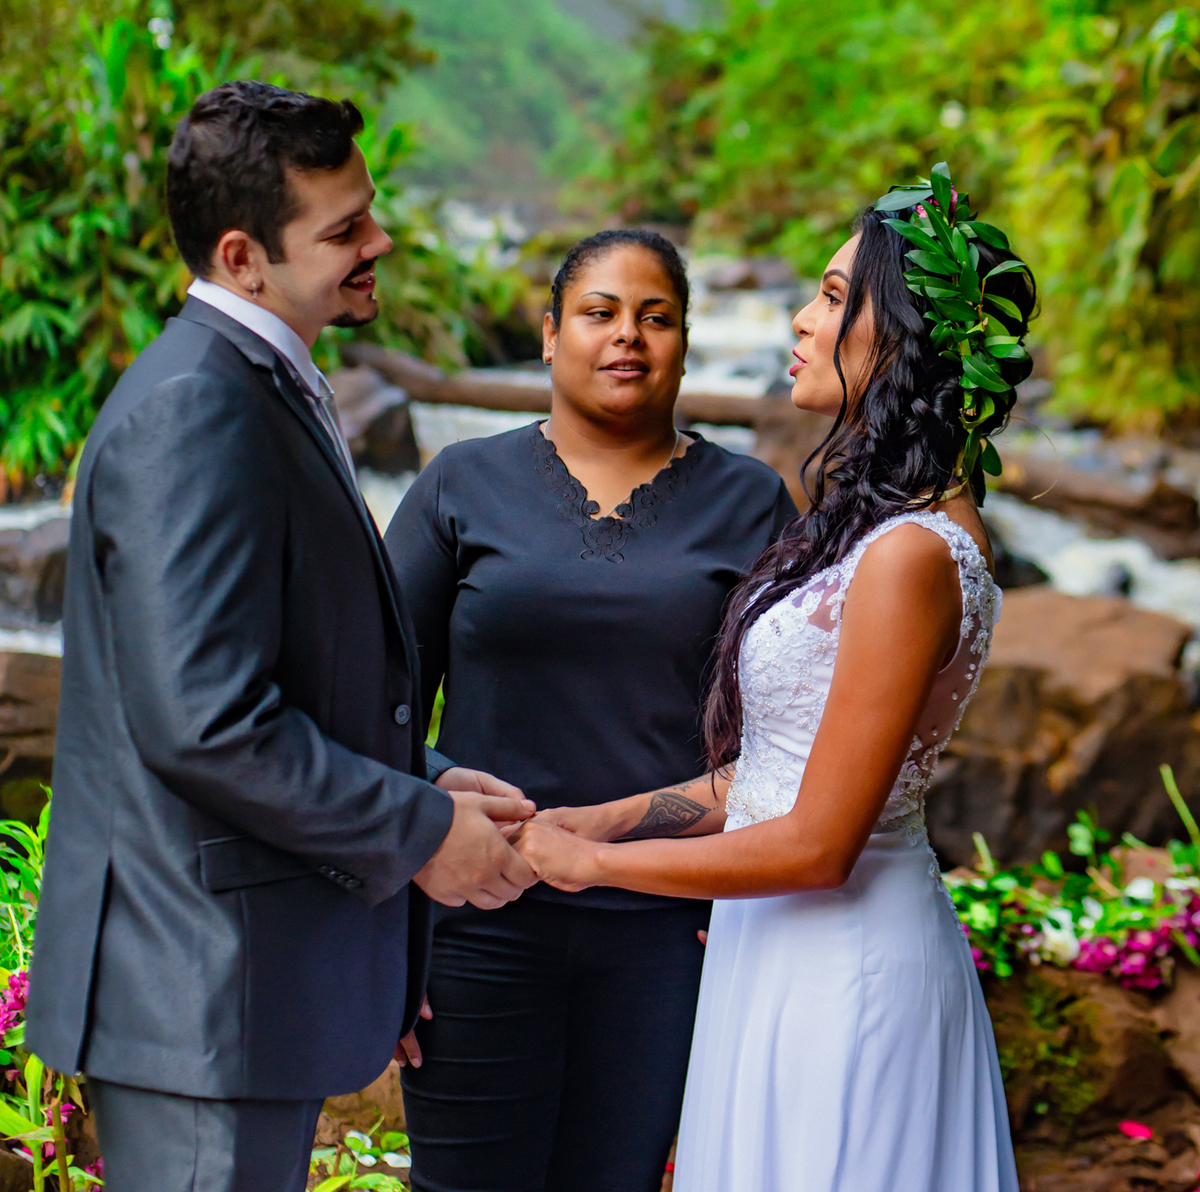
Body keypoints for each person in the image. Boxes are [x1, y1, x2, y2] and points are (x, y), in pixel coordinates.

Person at [25, 81, 537, 1192]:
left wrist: (433, 779)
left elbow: (281, 674)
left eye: (370, 210)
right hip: (200, 986)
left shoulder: (260, 380)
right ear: (243, 255)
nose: (381, 240)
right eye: (344, 228)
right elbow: (207, 724)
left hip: (234, 984)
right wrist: (419, 830)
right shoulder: (194, 407)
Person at [516, 171, 1034, 1192]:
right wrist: (595, 819)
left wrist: (587, 869)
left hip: (841, 974)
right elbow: (775, 776)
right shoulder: (879, 530)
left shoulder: (909, 558)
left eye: (837, 296)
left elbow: (816, 842)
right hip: (780, 955)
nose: (802, 318)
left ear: (907, 336)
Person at [384, 227, 797, 1192]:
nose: (628, 338)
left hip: (665, 934)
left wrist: (743, 902)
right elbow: (376, 700)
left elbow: (783, 741)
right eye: (600, 314)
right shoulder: (459, 483)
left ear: (686, 342)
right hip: (476, 912)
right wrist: (398, 901)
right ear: (549, 334)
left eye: (656, 318)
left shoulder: (752, 502)